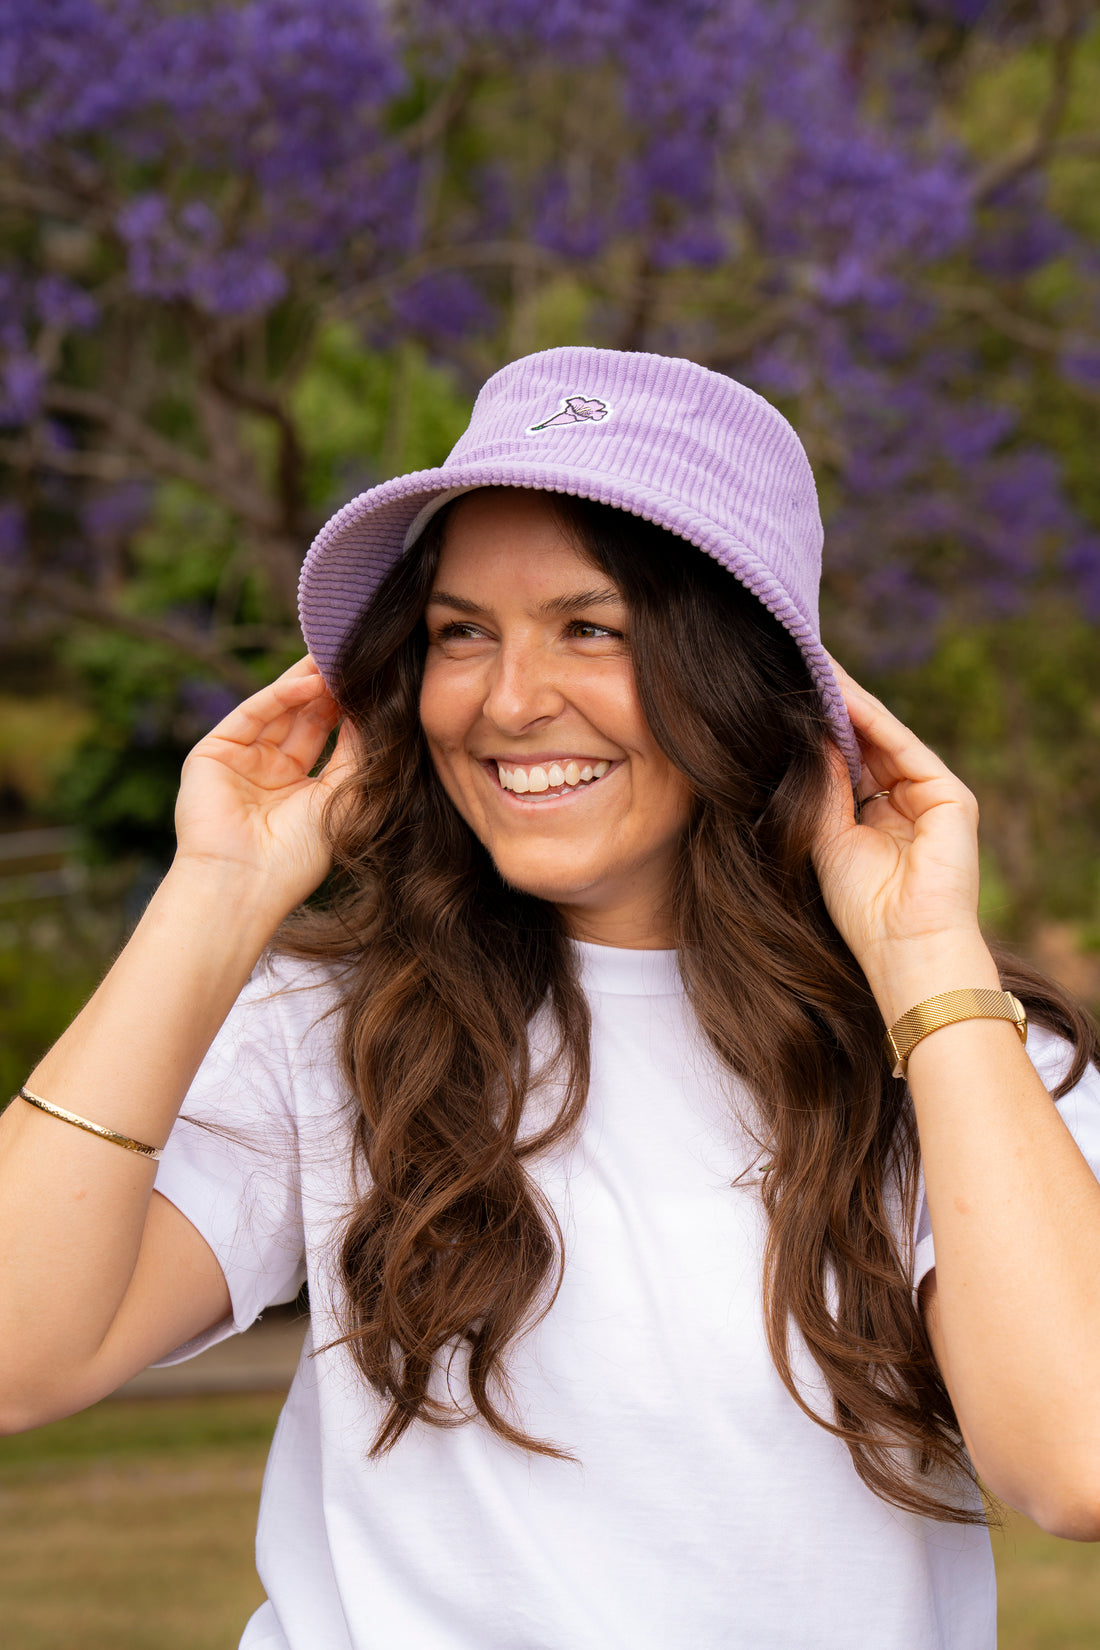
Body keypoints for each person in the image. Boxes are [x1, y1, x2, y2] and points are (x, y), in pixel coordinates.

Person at [2, 346, 1100, 1650]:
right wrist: (218, 892)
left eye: (592, 628)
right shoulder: (331, 1024)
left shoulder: (966, 1056)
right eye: (461, 632)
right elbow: (18, 1353)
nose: (510, 701)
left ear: (735, 670)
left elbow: (1077, 1463)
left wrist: (926, 957)